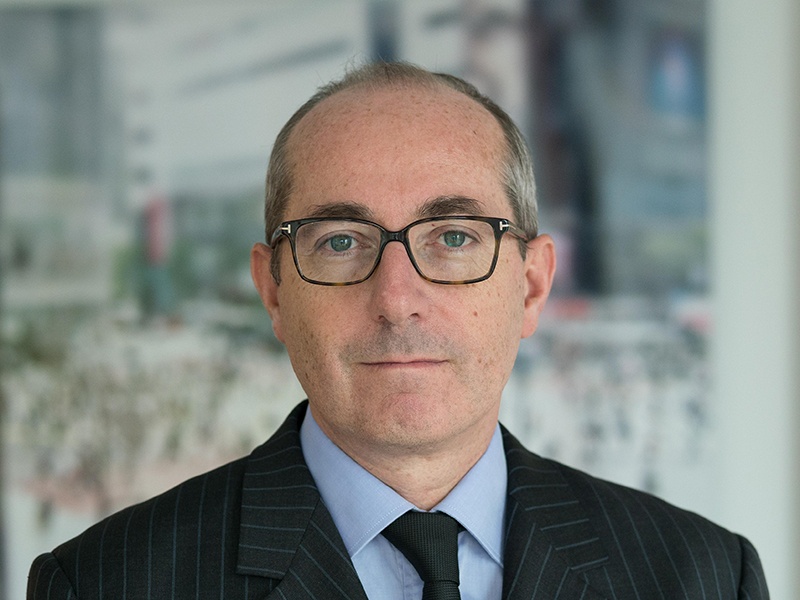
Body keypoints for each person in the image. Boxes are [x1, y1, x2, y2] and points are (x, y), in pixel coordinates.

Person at [28, 62, 768, 600]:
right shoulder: (102, 583)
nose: (397, 299)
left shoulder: (703, 575)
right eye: (340, 242)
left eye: (454, 237)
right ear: (273, 289)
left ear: (532, 285)